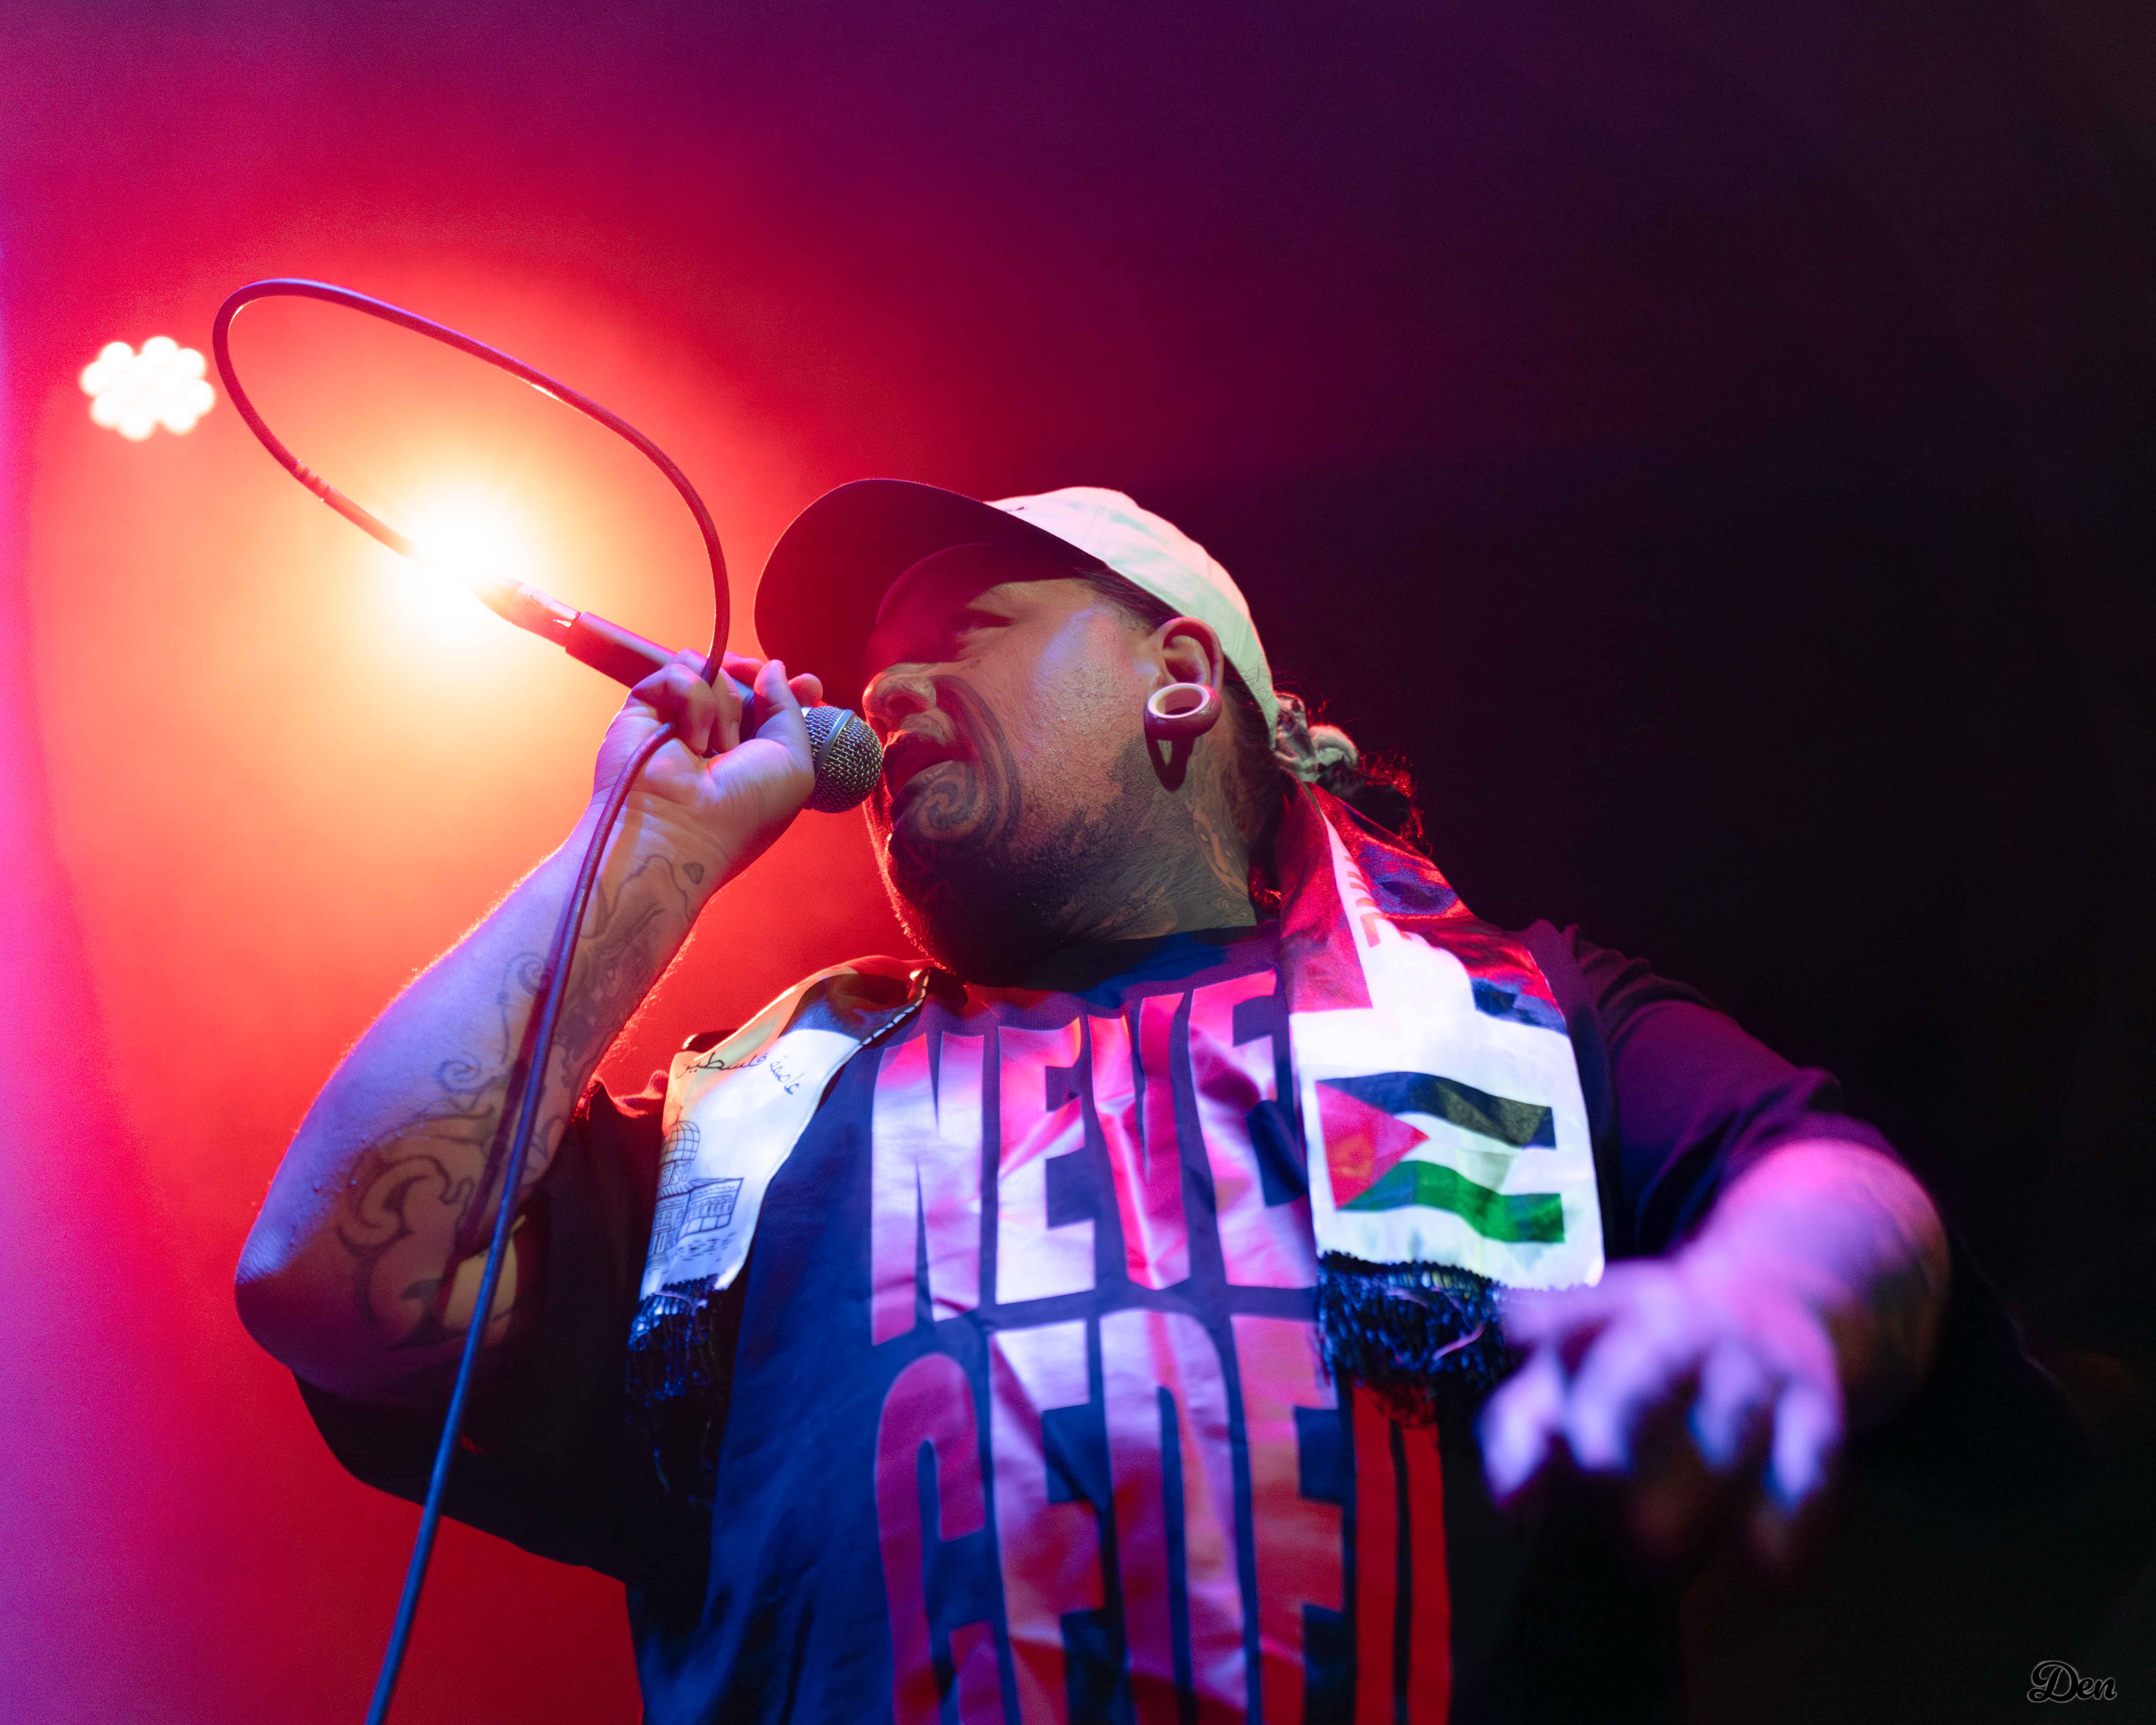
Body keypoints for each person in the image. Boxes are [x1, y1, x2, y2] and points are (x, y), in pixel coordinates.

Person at [236, 482, 1949, 1723]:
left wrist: (1764, 1299)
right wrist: (657, 848)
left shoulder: (1509, 1010)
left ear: (1178, 677)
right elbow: (330, 1275)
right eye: (868, 670)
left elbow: (1825, 1180)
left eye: (959, 636)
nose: (878, 694)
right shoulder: (763, 1111)